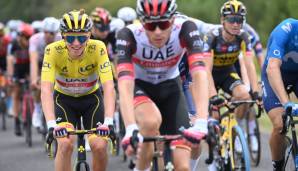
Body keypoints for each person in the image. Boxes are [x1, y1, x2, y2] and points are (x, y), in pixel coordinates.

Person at [116, 0, 210, 170]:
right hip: (141, 87)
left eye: (163, 24)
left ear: (173, 20)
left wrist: (202, 121)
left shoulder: (186, 28)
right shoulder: (128, 35)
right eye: (151, 26)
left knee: (184, 165)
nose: (158, 32)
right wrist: (130, 128)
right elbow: (124, 84)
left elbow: (199, 74)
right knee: (151, 123)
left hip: (171, 89)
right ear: (142, 23)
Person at [41, 9, 115, 171]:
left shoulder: (98, 48)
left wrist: (109, 121)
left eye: (82, 37)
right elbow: (46, 89)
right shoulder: (52, 50)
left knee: (100, 145)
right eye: (70, 38)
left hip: (91, 100)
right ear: (62, 36)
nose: (76, 43)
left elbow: (108, 86)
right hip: (64, 100)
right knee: (65, 144)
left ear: (89, 35)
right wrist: (51, 124)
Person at [204, 0, 260, 151]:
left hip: (227, 72)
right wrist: (213, 96)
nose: (236, 24)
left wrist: (255, 92)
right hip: (209, 75)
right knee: (214, 117)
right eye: (231, 19)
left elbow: (250, 66)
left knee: (245, 96)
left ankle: (237, 128)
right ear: (222, 20)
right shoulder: (212, 37)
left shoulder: (244, 37)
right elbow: (206, 70)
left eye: (239, 20)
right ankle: (215, 156)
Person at [261, 18, 298, 171]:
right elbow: (272, 67)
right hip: (274, 75)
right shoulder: (286, 29)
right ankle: (278, 166)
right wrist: (286, 102)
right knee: (279, 124)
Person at [29, 17, 61, 129]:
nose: (48, 35)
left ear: (56, 33)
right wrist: (34, 80)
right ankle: (37, 109)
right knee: (38, 84)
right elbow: (33, 61)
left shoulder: (60, 39)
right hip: (39, 62)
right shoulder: (35, 39)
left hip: (54, 63)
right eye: (46, 32)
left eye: (51, 33)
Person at [7, 23, 34, 136]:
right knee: (16, 93)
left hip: (28, 69)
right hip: (17, 70)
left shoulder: (31, 45)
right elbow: (9, 60)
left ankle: (31, 114)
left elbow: (34, 61)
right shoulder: (14, 44)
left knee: (32, 90)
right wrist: (11, 76)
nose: (28, 40)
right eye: (27, 38)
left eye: (30, 38)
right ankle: (17, 121)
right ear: (21, 36)